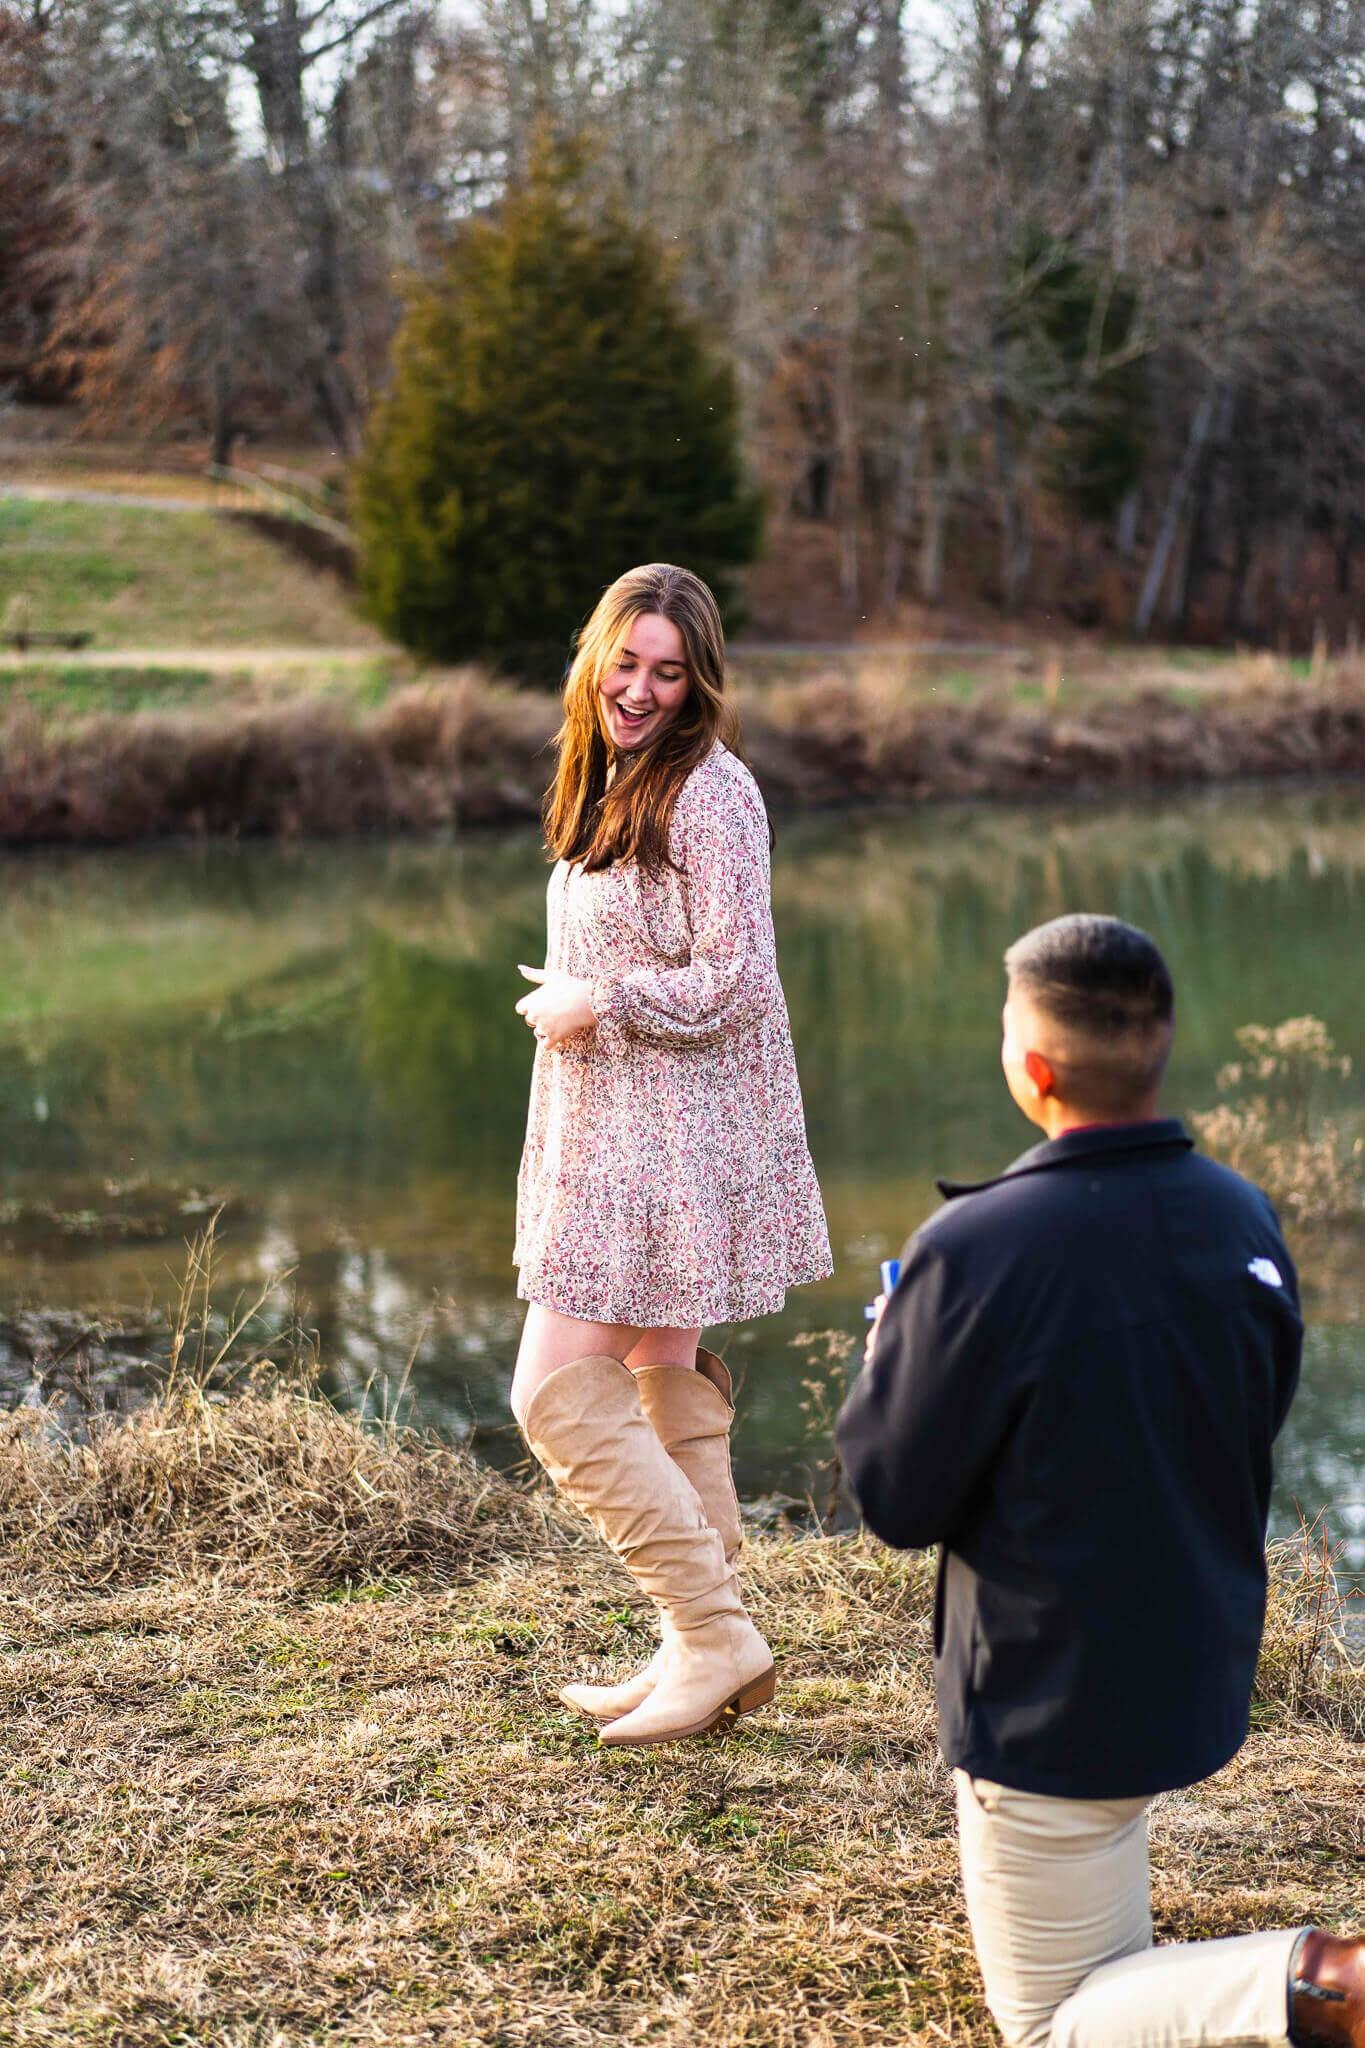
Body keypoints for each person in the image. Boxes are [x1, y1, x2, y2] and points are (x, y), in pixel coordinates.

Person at [837, 914, 1363, 2048]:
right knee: (1100, 1914)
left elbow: (895, 1499)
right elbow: (1241, 1413)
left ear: (1033, 1071)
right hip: (1196, 1660)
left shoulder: (972, 1248)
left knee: (1051, 2022)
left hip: (1048, 1703)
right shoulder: (1243, 1214)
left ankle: (1333, 1980)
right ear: (1158, 1046)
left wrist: (895, 1351)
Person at [510, 561, 832, 1748]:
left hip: (661, 1141)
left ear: (699, 682)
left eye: (667, 671)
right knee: (662, 1377)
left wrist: (603, 1000)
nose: (638, 689)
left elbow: (737, 978)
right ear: (595, 653)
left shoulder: (712, 789)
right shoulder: (613, 776)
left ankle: (711, 1632)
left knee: (549, 1391)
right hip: (622, 1124)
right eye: (625, 662)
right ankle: (703, 1642)